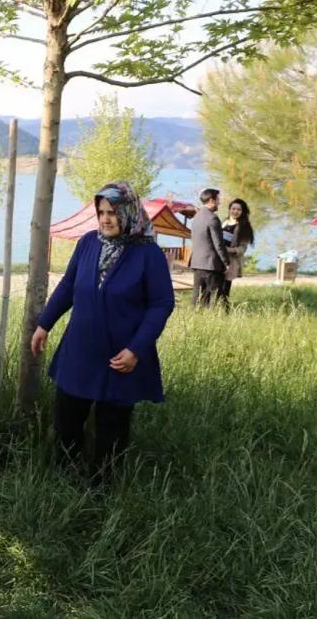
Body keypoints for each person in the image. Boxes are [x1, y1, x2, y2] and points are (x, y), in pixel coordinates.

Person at [31, 182, 175, 485]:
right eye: (101, 212)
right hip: (79, 351)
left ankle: (101, 488)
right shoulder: (88, 243)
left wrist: (136, 349)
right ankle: (64, 481)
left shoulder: (148, 254)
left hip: (120, 356)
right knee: (67, 420)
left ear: (129, 212)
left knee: (112, 428)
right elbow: (68, 285)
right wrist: (44, 324)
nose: (106, 219)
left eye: (113, 212)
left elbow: (161, 304)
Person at [190, 188, 231, 307]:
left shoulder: (197, 217)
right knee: (216, 297)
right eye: (218, 199)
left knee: (198, 297)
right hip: (211, 264)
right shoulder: (213, 218)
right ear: (212, 200)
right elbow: (218, 244)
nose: (219, 202)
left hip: (197, 263)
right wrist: (226, 262)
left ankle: (195, 316)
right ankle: (219, 316)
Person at [222, 198, 255, 303]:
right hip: (218, 259)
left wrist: (228, 250)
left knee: (225, 290)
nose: (235, 211)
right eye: (233, 209)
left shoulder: (244, 227)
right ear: (229, 209)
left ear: (243, 212)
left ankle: (224, 309)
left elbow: (242, 249)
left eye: (238, 210)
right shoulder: (224, 222)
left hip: (230, 262)